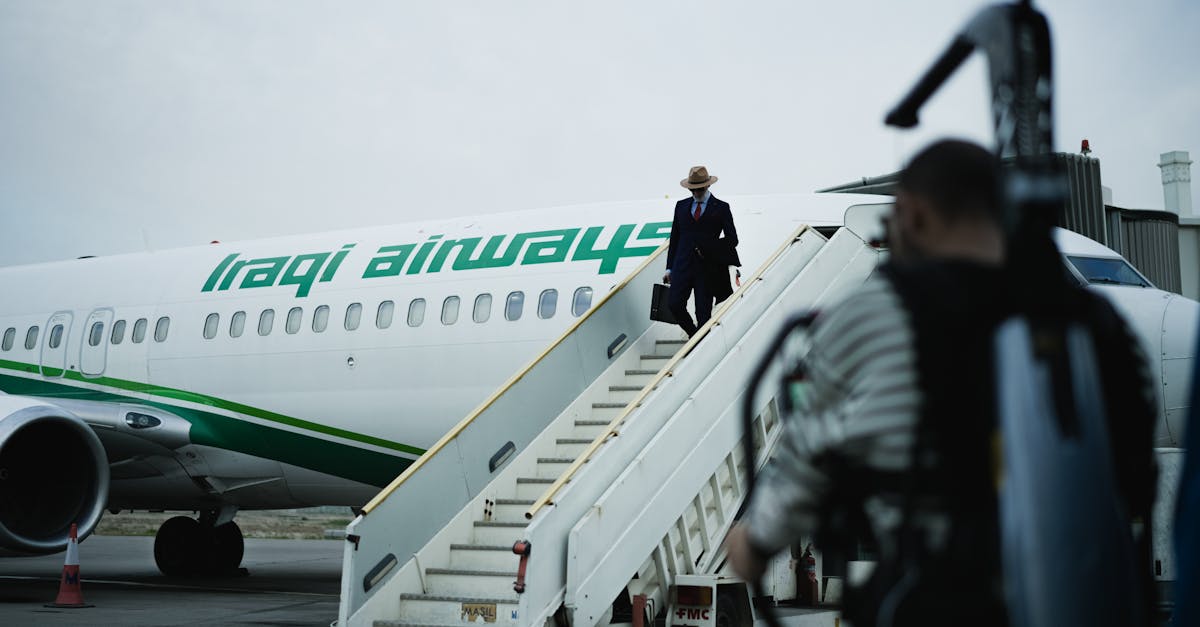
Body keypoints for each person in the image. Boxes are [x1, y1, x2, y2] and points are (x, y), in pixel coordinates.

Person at [724, 139, 1156, 626]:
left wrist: (754, 543)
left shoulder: (875, 313)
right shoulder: (1100, 323)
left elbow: (807, 464)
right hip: (1094, 600)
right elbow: (1138, 461)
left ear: (913, 213)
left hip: (944, 597)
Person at [663, 166, 740, 337]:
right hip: (682, 266)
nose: (696, 192)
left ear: (708, 186)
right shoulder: (681, 206)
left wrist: (709, 247)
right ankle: (694, 335)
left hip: (707, 269)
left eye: (700, 189)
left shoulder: (721, 208)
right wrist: (669, 268)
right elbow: (674, 239)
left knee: (703, 314)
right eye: (693, 189)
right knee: (674, 304)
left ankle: (701, 341)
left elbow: (732, 239)